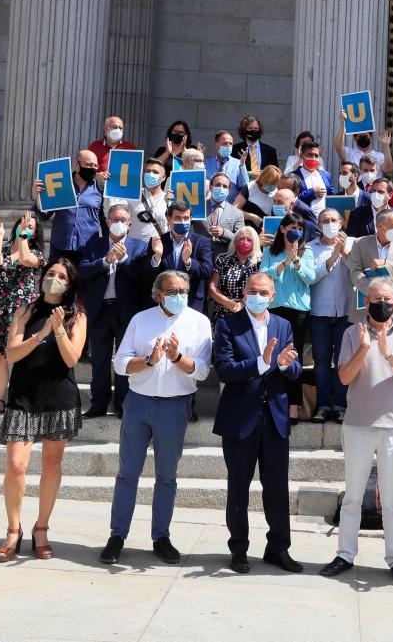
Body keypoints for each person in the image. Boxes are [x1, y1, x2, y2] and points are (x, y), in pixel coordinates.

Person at [100, 270, 213, 566]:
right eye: (172, 291)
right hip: (138, 404)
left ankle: (161, 537)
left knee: (166, 477)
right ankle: (117, 535)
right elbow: (120, 362)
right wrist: (148, 361)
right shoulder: (141, 320)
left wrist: (177, 358)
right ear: (158, 294)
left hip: (174, 408)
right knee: (127, 474)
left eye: (183, 290)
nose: (179, 296)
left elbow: (201, 370)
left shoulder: (199, 322)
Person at [320, 279, 393, 584]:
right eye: (376, 297)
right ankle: (345, 554)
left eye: (387, 298)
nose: (382, 302)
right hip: (358, 425)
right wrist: (365, 348)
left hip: (392, 427)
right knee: (352, 497)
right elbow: (345, 376)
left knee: (391, 499)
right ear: (366, 300)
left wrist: (389, 354)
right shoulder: (353, 332)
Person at [0, 259, 86, 562]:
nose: (54, 279)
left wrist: (59, 329)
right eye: (50, 274)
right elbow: (11, 353)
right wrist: (42, 331)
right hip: (24, 396)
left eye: (61, 276)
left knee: (51, 464)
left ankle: (41, 528)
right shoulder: (25, 310)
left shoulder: (77, 315)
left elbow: (72, 359)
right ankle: (12, 530)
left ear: (69, 284)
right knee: (16, 465)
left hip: (58, 397)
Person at [213, 272, 303, 574]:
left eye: (263, 291)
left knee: (276, 486)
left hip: (274, 418)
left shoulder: (283, 325)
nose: (258, 295)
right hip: (240, 418)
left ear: (273, 296)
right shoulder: (228, 325)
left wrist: (286, 366)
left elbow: (294, 366)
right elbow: (225, 369)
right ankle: (238, 549)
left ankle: (278, 547)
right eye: (252, 290)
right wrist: (263, 364)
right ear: (244, 293)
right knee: (238, 487)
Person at [78, 204, 153, 419]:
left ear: (129, 224)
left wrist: (125, 260)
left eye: (123, 220)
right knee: (99, 359)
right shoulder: (95, 244)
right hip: (100, 310)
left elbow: (143, 278)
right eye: (115, 219)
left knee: (124, 358)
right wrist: (105, 261)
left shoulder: (139, 247)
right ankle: (99, 403)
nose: (119, 223)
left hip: (126, 311)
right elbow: (81, 271)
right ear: (108, 222)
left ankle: (122, 403)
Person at [0, 212, 44, 417]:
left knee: (24, 355)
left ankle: (26, 400)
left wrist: (23, 237)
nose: (25, 227)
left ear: (34, 234)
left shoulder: (36, 254)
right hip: (2, 307)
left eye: (30, 226)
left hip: (23, 309)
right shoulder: (6, 250)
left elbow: (25, 259)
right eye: (22, 224)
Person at [260, 213, 315, 422]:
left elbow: (310, 277)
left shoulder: (306, 251)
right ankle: (274, 401)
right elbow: (265, 275)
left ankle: (293, 405)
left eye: (300, 228)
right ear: (283, 229)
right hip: (275, 308)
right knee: (273, 354)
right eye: (293, 227)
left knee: (294, 356)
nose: (297, 232)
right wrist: (285, 261)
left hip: (298, 309)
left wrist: (297, 261)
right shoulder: (270, 250)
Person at [307, 209, 356, 422]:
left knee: (343, 361)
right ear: (318, 224)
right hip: (320, 312)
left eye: (333, 220)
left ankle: (341, 405)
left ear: (341, 222)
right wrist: (332, 256)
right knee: (321, 361)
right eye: (325, 221)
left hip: (346, 311)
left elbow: (359, 272)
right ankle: (323, 404)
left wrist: (343, 252)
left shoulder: (354, 244)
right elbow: (310, 278)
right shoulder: (309, 248)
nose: (329, 223)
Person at [31, 149, 103, 263]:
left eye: (95, 166)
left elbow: (105, 222)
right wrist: (38, 197)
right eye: (88, 165)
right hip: (60, 248)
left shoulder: (101, 190)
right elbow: (42, 215)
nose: (92, 168)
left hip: (87, 251)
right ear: (76, 164)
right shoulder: (60, 184)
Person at [347, 208, 393, 324]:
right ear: (380, 227)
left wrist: (387, 263)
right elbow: (354, 272)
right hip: (365, 308)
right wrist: (374, 292)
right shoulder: (360, 243)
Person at [149, 201, 214, 314]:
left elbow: (207, 272)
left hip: (192, 304)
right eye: (177, 218)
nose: (182, 222)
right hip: (165, 305)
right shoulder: (159, 242)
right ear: (169, 219)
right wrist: (157, 257)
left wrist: (188, 262)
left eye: (186, 218)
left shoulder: (202, 242)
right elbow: (147, 276)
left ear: (190, 219)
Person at [104, 158, 170, 242]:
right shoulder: (133, 194)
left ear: (163, 177)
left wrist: (170, 203)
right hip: (136, 249)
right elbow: (112, 211)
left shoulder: (168, 198)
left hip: (159, 248)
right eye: (148, 171)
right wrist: (109, 185)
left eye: (155, 172)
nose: (150, 174)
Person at [208, 226, 263, 325]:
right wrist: (228, 303)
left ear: (255, 243)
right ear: (234, 241)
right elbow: (213, 286)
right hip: (223, 313)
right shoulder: (223, 259)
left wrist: (242, 303)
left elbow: (262, 288)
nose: (244, 242)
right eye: (241, 239)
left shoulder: (260, 262)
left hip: (250, 314)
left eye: (249, 239)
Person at [203, 172, 246, 261]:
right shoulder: (199, 207)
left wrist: (224, 233)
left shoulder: (236, 213)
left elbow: (241, 240)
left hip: (224, 260)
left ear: (228, 190)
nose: (221, 188)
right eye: (218, 185)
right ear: (210, 187)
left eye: (225, 186)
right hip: (200, 258)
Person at [335, 110, 393, 177]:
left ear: (370, 137)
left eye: (365, 136)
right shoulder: (349, 153)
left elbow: (388, 170)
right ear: (355, 138)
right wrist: (343, 125)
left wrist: (386, 146)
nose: (363, 138)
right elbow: (338, 146)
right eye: (360, 136)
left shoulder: (379, 156)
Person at [235, 164, 284, 230]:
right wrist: (252, 217)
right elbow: (234, 209)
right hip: (244, 227)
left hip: (263, 230)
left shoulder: (276, 193)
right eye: (270, 183)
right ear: (263, 178)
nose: (272, 186)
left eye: (275, 184)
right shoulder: (250, 187)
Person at [204, 129, 250, 197]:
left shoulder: (238, 164)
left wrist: (242, 164)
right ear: (216, 145)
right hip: (209, 204)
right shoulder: (206, 163)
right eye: (225, 143)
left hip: (230, 205)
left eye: (230, 143)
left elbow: (244, 186)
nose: (228, 146)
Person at [233, 115, 279, 179]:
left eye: (256, 129)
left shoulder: (270, 151)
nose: (253, 131)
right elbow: (233, 170)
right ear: (244, 130)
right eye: (250, 129)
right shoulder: (235, 149)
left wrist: (265, 173)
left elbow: (276, 172)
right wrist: (250, 174)